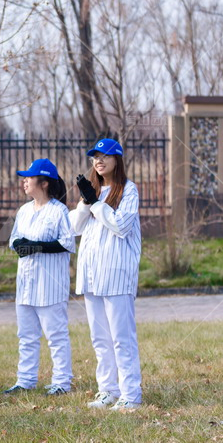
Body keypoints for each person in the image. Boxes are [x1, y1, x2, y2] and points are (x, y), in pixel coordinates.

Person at [70, 138, 143, 411]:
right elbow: (75, 228)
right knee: (99, 338)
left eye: (105, 156)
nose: (99, 161)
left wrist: (97, 204)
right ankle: (107, 390)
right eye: (95, 156)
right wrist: (86, 201)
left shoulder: (129, 190)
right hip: (91, 275)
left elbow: (121, 225)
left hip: (117, 275)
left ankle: (131, 394)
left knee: (121, 337)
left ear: (117, 160)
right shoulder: (93, 192)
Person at [4, 158, 75, 396]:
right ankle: (25, 380)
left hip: (50, 285)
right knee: (26, 335)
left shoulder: (59, 210)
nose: (25, 181)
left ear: (44, 183)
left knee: (55, 335)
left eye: (29, 177)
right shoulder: (24, 211)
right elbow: (13, 239)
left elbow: (66, 243)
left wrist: (37, 246)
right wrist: (19, 245)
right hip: (25, 284)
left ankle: (62, 382)